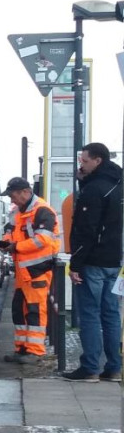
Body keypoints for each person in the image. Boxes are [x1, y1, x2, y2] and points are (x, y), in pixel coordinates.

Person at [63, 143, 123, 382]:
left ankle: (90, 368)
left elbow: (86, 229)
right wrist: (83, 182)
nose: (81, 164)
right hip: (114, 261)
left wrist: (76, 265)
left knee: (89, 314)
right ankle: (114, 368)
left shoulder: (94, 190)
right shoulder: (117, 185)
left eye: (85, 161)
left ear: (97, 160)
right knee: (111, 315)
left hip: (93, 261)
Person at [0, 177, 62, 364]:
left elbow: (43, 240)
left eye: (13, 196)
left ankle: (35, 351)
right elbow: (9, 229)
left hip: (37, 271)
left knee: (35, 310)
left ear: (26, 192)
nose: (11, 200)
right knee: (19, 310)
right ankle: (22, 349)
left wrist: (16, 246)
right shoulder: (19, 212)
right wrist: (6, 242)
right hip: (23, 272)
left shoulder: (42, 211)